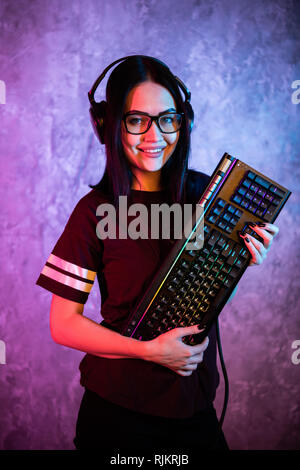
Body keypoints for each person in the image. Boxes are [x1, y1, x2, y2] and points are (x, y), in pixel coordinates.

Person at [36, 56, 279, 451]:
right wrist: (148, 351)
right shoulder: (95, 211)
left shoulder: (206, 195)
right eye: (137, 120)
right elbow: (62, 325)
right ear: (108, 126)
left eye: (168, 118)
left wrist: (238, 263)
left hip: (194, 407)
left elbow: (203, 298)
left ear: (184, 123)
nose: (155, 135)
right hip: (119, 415)